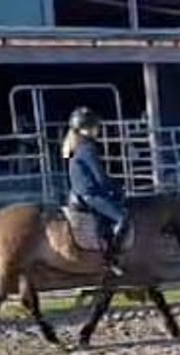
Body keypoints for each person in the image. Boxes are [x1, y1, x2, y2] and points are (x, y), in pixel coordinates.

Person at [62, 106, 129, 276]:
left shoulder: (73, 146)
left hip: (78, 193)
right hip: (90, 195)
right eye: (96, 126)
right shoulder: (87, 148)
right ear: (87, 128)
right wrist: (117, 189)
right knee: (122, 219)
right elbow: (100, 177)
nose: (98, 129)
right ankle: (110, 259)